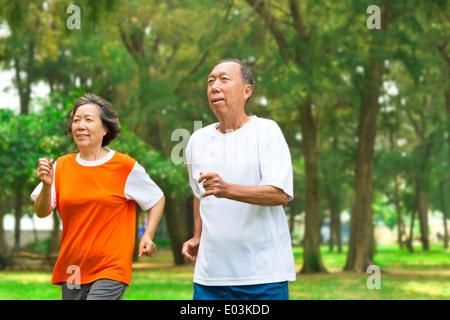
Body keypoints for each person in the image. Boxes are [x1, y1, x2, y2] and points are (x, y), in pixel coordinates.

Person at [31, 93, 165, 300]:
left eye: (88, 120)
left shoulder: (124, 166)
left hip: (111, 267)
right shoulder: (60, 166)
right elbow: (42, 212)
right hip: (73, 267)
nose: (80, 125)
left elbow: (156, 198)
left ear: (105, 129)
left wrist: (147, 235)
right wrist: (47, 185)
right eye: (76, 120)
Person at [182, 58, 296, 300]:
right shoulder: (197, 140)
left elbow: (280, 193)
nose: (214, 87)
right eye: (210, 81)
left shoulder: (266, 132)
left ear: (247, 91)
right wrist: (198, 235)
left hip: (262, 277)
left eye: (224, 79)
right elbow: (199, 193)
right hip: (210, 278)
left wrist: (227, 189)